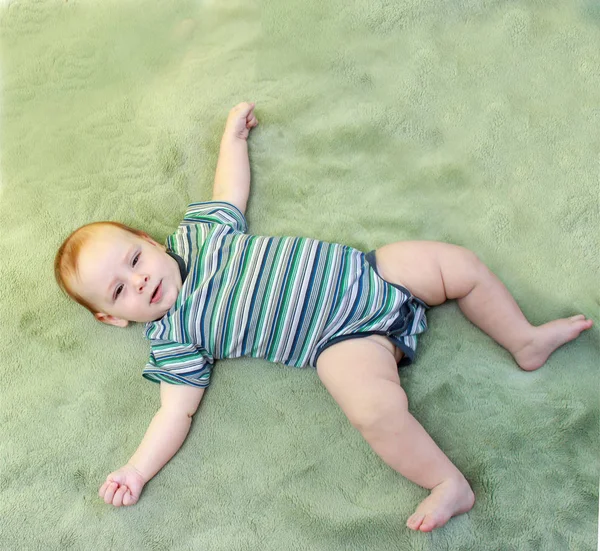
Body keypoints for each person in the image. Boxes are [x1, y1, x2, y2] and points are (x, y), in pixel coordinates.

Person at [54, 102, 593, 532]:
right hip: (340, 339)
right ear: (112, 319)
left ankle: (524, 339)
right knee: (370, 406)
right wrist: (136, 469)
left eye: (134, 259)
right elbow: (174, 415)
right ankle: (448, 482)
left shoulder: (201, 233)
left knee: (456, 263)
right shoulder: (173, 336)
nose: (141, 280)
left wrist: (232, 140)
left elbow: (229, 193)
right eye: (119, 291)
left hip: (372, 272)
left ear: (149, 241)